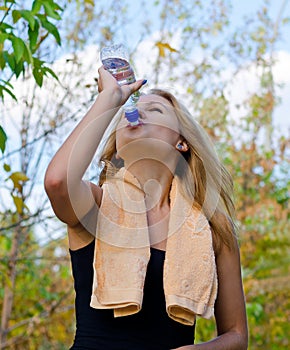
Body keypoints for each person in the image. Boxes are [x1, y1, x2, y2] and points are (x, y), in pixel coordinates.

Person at [44, 65, 248, 350]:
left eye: (155, 110)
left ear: (182, 143)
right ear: (117, 147)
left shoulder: (214, 227)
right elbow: (57, 182)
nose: (136, 113)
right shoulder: (97, 205)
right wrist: (109, 100)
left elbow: (237, 335)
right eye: (132, 108)